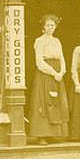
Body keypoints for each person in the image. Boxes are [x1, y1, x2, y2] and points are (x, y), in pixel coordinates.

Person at [29, 14, 69, 144]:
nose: (50, 27)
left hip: (57, 74)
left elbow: (62, 57)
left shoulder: (57, 41)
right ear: (43, 27)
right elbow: (39, 62)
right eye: (48, 25)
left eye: (52, 25)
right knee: (44, 101)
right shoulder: (39, 41)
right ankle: (42, 135)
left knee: (56, 101)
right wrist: (53, 73)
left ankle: (53, 133)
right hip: (45, 74)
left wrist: (62, 71)